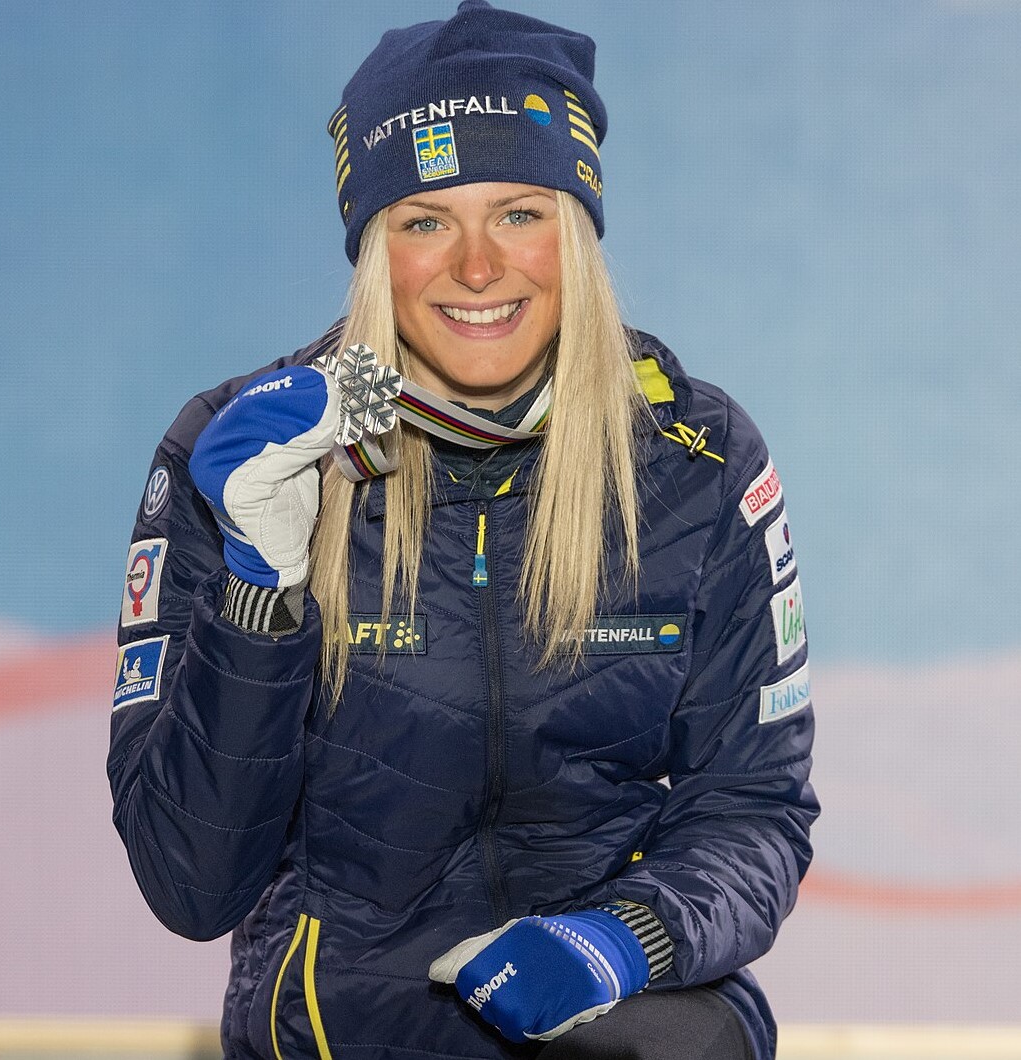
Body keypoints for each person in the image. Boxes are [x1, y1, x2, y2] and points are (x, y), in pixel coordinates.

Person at [108, 2, 818, 1057]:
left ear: (575, 234)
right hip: (339, 1025)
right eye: (425, 221)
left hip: (614, 1012)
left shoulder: (697, 458)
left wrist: (620, 941)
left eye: (520, 212)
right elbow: (189, 882)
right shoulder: (244, 449)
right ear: (373, 249)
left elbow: (754, 806)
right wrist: (261, 588)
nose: (478, 268)